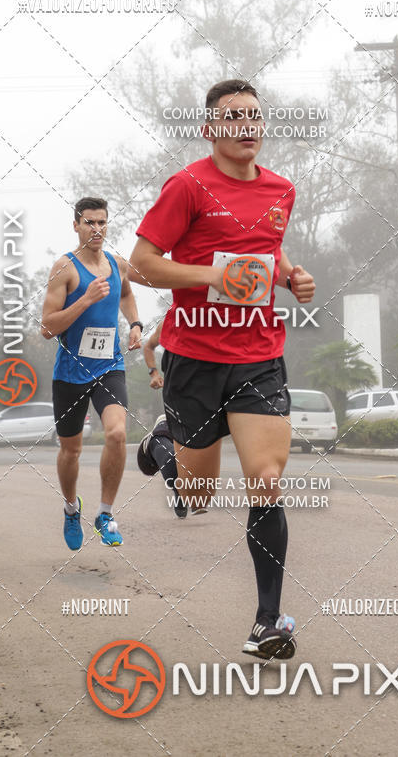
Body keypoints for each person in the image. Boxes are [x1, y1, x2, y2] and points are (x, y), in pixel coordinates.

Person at [129, 79, 315, 660]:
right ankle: (165, 447)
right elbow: (141, 266)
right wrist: (211, 275)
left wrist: (291, 275)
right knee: (201, 493)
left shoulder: (282, 189)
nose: (246, 126)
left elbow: (267, 247)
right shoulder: (186, 187)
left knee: (266, 478)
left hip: (258, 357)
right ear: (210, 129)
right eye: (232, 117)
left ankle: (268, 623)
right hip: (193, 359)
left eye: (255, 117)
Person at [41, 196, 142, 549]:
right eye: (89, 222)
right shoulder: (64, 268)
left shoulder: (117, 263)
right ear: (76, 225)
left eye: (102, 222)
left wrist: (135, 323)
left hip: (110, 366)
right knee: (71, 451)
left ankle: (105, 514)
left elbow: (126, 293)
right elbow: (47, 328)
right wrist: (84, 299)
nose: (97, 229)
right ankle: (71, 509)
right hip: (71, 373)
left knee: (116, 434)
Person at [136, 319, 189, 519]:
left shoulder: (219, 319)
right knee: (170, 457)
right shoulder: (173, 318)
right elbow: (149, 347)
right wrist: (154, 373)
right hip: (178, 403)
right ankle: (159, 437)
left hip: (209, 404)